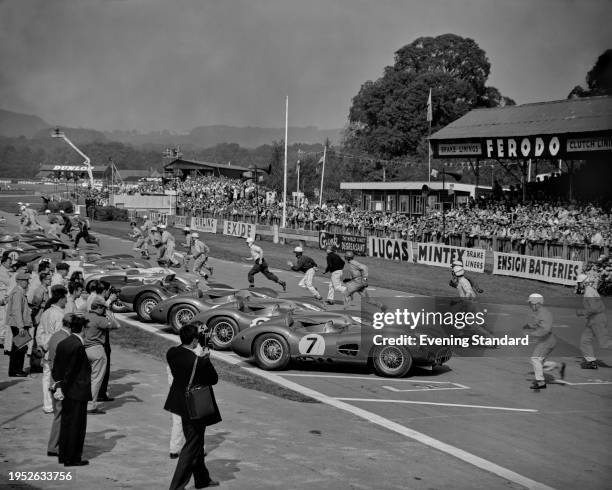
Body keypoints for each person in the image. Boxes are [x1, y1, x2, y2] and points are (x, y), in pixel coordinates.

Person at [165, 323, 221, 489]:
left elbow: (184, 361)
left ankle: (202, 479)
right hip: (195, 406)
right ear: (195, 341)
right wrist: (206, 360)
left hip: (181, 403)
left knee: (196, 441)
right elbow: (213, 379)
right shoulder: (197, 361)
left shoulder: (172, 353)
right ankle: (176, 486)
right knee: (192, 446)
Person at [51, 314, 91, 466]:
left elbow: (57, 368)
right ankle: (73, 458)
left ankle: (64, 455)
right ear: (81, 329)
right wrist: (65, 386)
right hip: (77, 392)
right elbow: (72, 371)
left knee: (66, 424)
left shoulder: (64, 342)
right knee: (77, 426)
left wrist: (60, 386)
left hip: (67, 391)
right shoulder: (78, 346)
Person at [84, 296, 119, 413]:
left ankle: (83, 402)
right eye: (103, 308)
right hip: (97, 350)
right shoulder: (100, 319)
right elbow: (116, 325)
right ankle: (91, 405)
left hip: (84, 350)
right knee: (96, 379)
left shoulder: (85, 316)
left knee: (87, 378)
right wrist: (109, 315)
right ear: (98, 307)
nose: (104, 310)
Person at [523, 293, 565, 390]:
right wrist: (530, 326)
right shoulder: (539, 312)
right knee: (537, 361)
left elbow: (546, 329)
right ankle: (559, 366)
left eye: (531, 303)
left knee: (535, 359)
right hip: (546, 340)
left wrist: (531, 334)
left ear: (537, 303)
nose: (530, 305)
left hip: (547, 341)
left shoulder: (543, 313)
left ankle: (541, 382)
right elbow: (539, 324)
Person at [36, 287, 68, 414]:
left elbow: (40, 331)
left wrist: (41, 346)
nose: (66, 301)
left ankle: (47, 404)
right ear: (60, 299)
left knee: (46, 377)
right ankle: (56, 405)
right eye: (65, 298)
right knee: (57, 378)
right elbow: (58, 336)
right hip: (55, 349)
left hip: (45, 347)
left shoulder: (46, 312)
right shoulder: (60, 315)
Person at [46, 313, 72, 458]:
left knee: (59, 415)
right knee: (61, 415)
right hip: (60, 382)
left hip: (54, 380)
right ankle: (55, 446)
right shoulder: (65, 340)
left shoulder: (56, 335)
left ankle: (56, 444)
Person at [575, 273, 611, 369]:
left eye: (579, 283)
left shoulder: (589, 292)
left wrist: (581, 312)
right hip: (593, 320)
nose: (578, 285)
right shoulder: (589, 290)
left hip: (597, 319)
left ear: (584, 282)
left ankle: (591, 362)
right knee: (584, 341)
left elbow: (594, 308)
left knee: (605, 344)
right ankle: (591, 362)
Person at [7, 270, 32, 377]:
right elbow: (17, 311)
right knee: (19, 348)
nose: (27, 283)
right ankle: (16, 370)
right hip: (19, 324)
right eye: (26, 281)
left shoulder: (19, 291)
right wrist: (21, 326)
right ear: (20, 281)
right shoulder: (18, 293)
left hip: (18, 324)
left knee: (18, 347)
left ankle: (15, 370)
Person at [0, 252, 13, 353]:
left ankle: (2, 338)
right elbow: (9, 282)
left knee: (3, 317)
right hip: (2, 294)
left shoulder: (6, 270)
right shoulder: (2, 271)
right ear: (3, 262)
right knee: (3, 317)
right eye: (9, 262)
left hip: (4, 293)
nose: (11, 264)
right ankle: (1, 338)